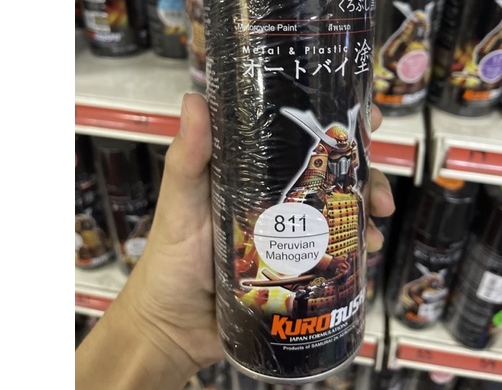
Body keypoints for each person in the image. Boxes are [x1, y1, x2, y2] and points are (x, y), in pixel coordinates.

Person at [75, 93, 396, 390]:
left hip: (346, 297)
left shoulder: (353, 194)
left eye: (347, 160)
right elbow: (292, 217)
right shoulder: (312, 189)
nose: (345, 168)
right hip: (316, 293)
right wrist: (325, 261)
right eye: (339, 162)